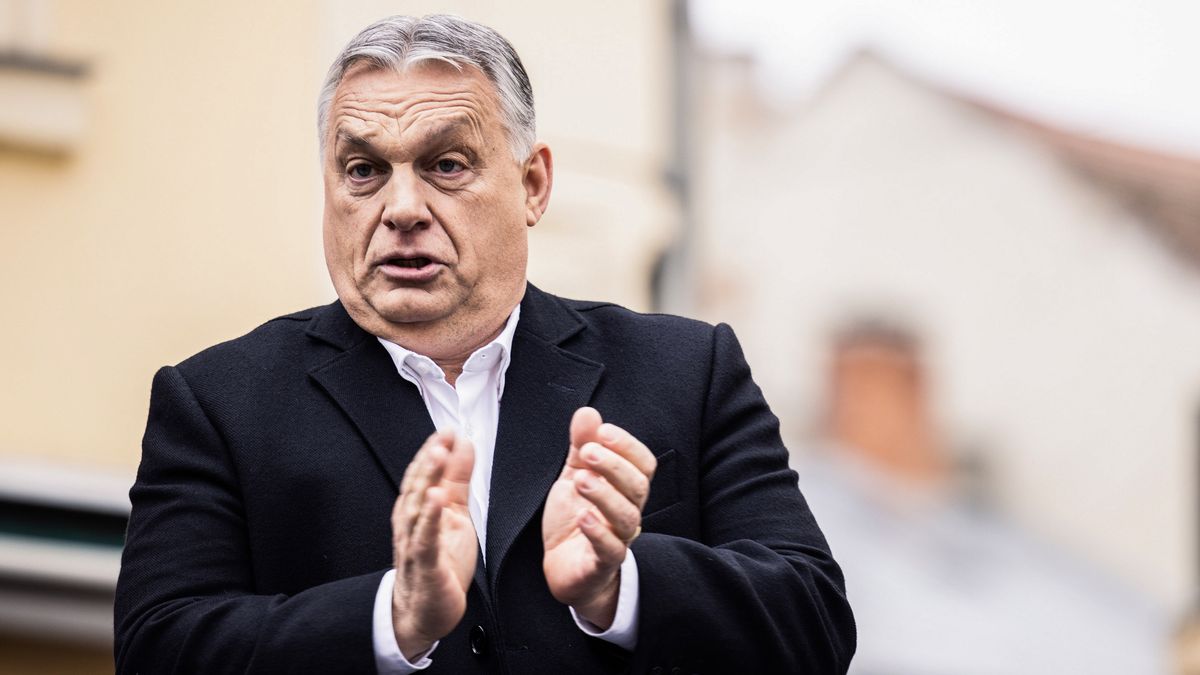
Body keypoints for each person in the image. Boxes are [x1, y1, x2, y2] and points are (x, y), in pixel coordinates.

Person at [113, 14, 855, 674]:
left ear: (532, 184)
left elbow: (815, 625)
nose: (402, 209)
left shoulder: (689, 371)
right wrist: (392, 618)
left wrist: (617, 587)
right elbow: (158, 647)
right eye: (364, 170)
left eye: (446, 164)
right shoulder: (216, 401)